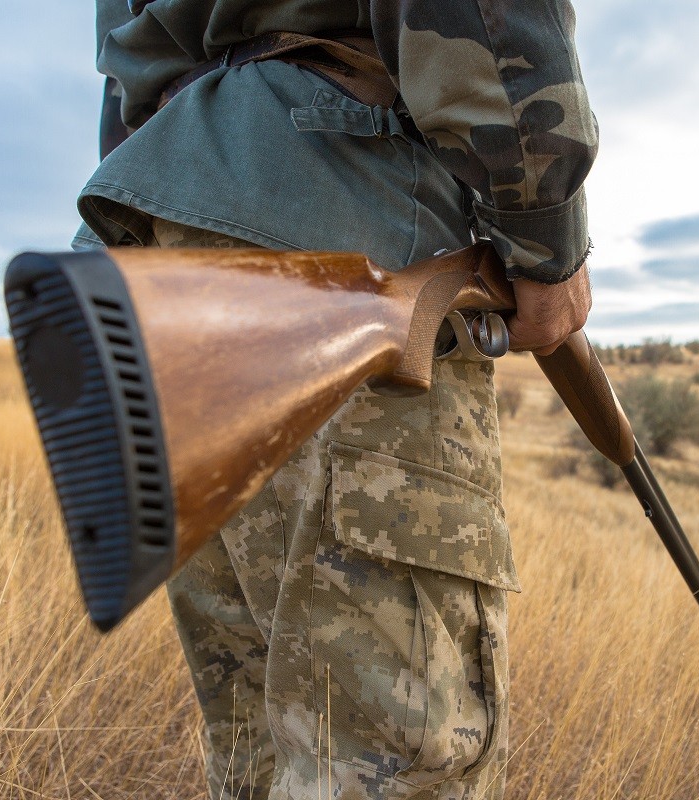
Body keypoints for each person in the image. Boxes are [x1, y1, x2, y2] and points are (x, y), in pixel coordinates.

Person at [73, 1, 597, 797]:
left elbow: (129, 53)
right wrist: (543, 229)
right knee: (401, 759)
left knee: (257, 746)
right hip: (353, 223)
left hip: (167, 248)